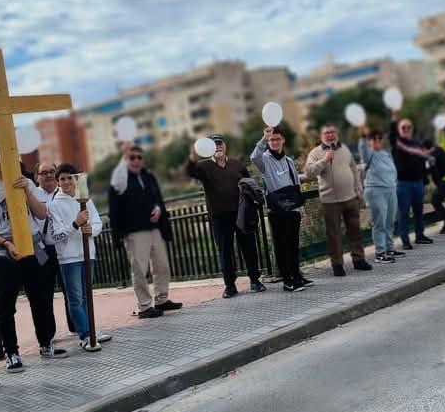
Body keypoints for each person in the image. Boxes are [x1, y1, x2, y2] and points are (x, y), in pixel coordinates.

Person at [0, 141, 64, 372]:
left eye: (9, 155)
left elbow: (42, 213)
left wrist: (28, 191)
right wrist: (4, 242)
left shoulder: (27, 182)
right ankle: (12, 352)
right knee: (6, 304)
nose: (4, 161)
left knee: (41, 298)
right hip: (3, 254)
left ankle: (46, 343)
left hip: (32, 248)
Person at [188, 135, 266, 297]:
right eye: (214, 144)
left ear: (225, 146)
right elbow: (190, 172)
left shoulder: (236, 164)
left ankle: (255, 280)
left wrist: (246, 191)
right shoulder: (204, 166)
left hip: (241, 213)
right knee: (225, 251)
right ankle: (230, 286)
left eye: (220, 143)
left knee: (249, 248)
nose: (218, 146)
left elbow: (249, 182)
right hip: (219, 216)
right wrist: (192, 156)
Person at [109, 143, 180, 317]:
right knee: (139, 269)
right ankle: (145, 306)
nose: (136, 160)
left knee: (162, 265)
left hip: (154, 228)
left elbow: (156, 197)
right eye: (132, 157)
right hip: (134, 231)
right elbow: (116, 189)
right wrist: (123, 156)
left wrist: (158, 209)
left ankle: (161, 299)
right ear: (126, 159)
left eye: (139, 157)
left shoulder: (147, 176)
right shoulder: (121, 178)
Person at [47, 164, 113, 351]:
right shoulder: (54, 206)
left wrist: (91, 229)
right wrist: (75, 224)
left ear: (76, 180)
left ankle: (91, 330)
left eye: (70, 178)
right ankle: (85, 335)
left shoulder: (85, 201)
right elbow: (56, 235)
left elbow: (97, 222)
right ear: (58, 182)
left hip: (87, 254)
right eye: (62, 179)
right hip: (69, 258)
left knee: (87, 296)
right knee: (75, 298)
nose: (66, 182)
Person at [304, 124, 371, 276]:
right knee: (334, 235)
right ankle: (337, 265)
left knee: (355, 231)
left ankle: (359, 260)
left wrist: (358, 188)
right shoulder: (315, 153)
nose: (330, 135)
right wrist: (325, 160)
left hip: (351, 197)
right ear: (321, 136)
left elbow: (354, 168)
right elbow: (308, 173)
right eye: (326, 133)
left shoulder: (345, 149)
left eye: (332, 132)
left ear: (337, 134)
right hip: (330, 202)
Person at [251, 126, 312, 291]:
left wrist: (301, 207)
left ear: (283, 140)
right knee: (281, 245)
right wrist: (264, 138)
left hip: (292, 208)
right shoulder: (264, 159)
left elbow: (296, 184)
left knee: (293, 244)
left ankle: (296, 275)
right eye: (272, 140)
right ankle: (287, 279)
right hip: (277, 210)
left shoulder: (289, 161)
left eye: (277, 139)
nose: (275, 142)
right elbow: (254, 156)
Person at [33, 160, 74, 335]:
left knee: (70, 290)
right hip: (42, 249)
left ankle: (76, 326)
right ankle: (48, 334)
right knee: (44, 294)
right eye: (44, 172)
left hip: (63, 247)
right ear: (36, 177)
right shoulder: (31, 195)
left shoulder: (66, 193)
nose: (49, 175)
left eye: (52, 171)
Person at [357, 126, 403, 265]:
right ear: (369, 141)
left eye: (379, 138)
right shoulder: (369, 153)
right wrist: (363, 137)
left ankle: (389, 248)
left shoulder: (385, 153)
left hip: (390, 189)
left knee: (389, 221)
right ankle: (380, 252)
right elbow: (363, 150)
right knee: (380, 222)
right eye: (373, 138)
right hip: (376, 191)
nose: (377, 141)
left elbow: (392, 171)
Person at [389, 113, 433, 249]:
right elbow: (391, 134)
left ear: (412, 129)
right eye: (403, 127)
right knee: (404, 213)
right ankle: (405, 240)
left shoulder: (417, 144)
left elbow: (422, 163)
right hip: (403, 184)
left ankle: (420, 236)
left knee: (419, 211)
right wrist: (394, 119)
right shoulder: (397, 143)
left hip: (418, 182)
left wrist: (425, 182)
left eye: (409, 127)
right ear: (399, 129)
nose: (406, 129)